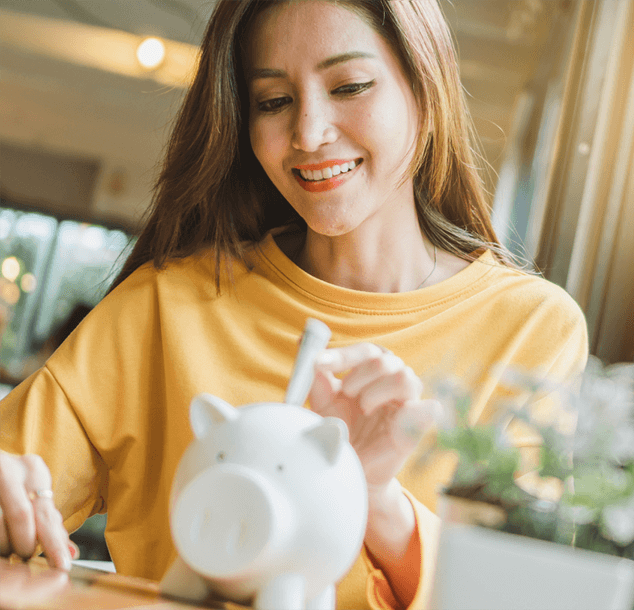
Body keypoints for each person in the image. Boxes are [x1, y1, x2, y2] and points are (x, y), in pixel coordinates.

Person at [0, 1, 588, 609]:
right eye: (274, 102)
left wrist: (373, 499)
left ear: (427, 91)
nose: (309, 133)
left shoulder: (530, 329)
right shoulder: (163, 305)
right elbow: (12, 488)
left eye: (350, 86)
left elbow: (524, 595)